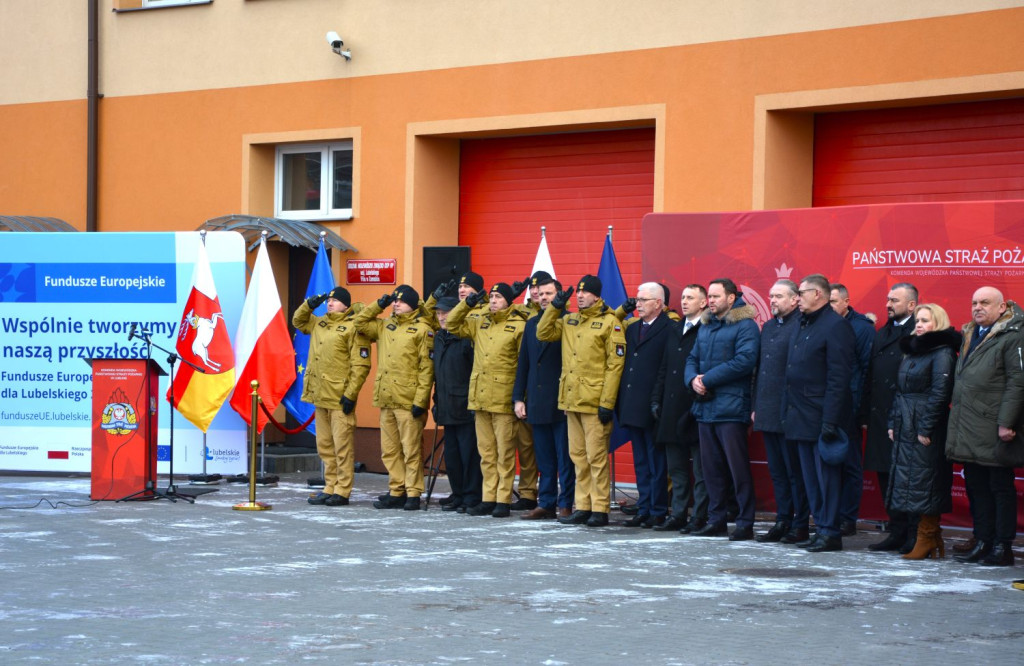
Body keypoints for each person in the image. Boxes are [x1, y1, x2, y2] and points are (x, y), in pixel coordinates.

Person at [537, 275, 626, 527]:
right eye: (578, 292)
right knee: (578, 456)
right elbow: (543, 333)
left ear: (597, 296)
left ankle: (599, 508)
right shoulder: (570, 319)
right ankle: (583, 506)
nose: (580, 296)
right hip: (571, 400)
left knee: (596, 457)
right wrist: (555, 307)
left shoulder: (610, 323)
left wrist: (607, 403)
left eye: (586, 293)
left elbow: (614, 366)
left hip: (595, 401)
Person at [947, 287, 1024, 567]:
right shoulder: (971, 333)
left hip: (994, 427)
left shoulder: (1013, 335)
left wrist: (1006, 422)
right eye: (974, 302)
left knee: (999, 488)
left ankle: (1003, 547)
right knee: (976, 486)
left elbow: (1018, 382)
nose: (978, 307)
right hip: (969, 425)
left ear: (1002, 307)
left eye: (985, 303)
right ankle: (983, 541)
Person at [783, 274, 856, 552]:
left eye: (801, 293)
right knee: (810, 480)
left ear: (819, 294)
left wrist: (830, 420)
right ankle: (821, 528)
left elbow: (839, 378)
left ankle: (830, 531)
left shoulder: (836, 326)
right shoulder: (803, 323)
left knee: (826, 479)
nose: (797, 297)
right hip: (799, 415)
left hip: (822, 417)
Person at [684, 278, 760, 541]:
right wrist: (693, 380)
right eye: (710, 296)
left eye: (717, 296)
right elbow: (692, 358)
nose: (712, 301)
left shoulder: (745, 325)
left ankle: (744, 522)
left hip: (731, 409)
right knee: (711, 468)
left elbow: (745, 361)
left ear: (731, 298)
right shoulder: (705, 326)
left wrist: (707, 379)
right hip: (705, 409)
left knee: (737, 469)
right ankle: (716, 520)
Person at [446, 283, 529, 517]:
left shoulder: (518, 326)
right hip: (480, 397)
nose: (493, 300)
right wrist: (467, 304)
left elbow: (524, 365)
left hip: (503, 398)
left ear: (509, 301)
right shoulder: (480, 321)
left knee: (504, 453)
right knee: (486, 453)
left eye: (499, 297)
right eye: (491, 296)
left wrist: (519, 398)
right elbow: (451, 324)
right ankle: (488, 498)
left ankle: (503, 500)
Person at [886, 303, 960, 560]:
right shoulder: (913, 351)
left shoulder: (943, 352)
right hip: (906, 424)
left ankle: (926, 536)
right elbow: (900, 390)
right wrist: (894, 422)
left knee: (927, 481)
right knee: (912, 481)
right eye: (917, 320)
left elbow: (941, 394)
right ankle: (927, 537)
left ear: (937, 323)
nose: (918, 324)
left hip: (926, 426)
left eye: (925, 320)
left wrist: (925, 427)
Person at [354, 285, 435, 511]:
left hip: (408, 400)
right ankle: (397, 490)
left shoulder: (422, 330)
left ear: (413, 304)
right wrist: (378, 305)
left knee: (410, 450)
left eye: (401, 301)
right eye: (394, 301)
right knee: (389, 450)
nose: (395, 304)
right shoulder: (385, 326)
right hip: (386, 397)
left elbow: (426, 368)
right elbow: (360, 323)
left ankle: (413, 492)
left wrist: (421, 400)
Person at [293, 286, 371, 507]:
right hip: (320, 394)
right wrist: (309, 305)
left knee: (342, 446)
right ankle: (330, 486)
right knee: (325, 445)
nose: (330, 303)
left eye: (335, 300)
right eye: (329, 300)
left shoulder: (354, 326)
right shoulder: (320, 322)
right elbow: (298, 322)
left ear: (346, 305)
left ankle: (343, 490)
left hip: (339, 397)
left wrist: (350, 394)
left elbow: (360, 365)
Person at [512, 276, 575, 520]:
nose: (545, 298)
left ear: (559, 295)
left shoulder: (568, 321)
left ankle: (566, 502)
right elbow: (524, 364)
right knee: (545, 458)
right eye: (541, 294)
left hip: (560, 400)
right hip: (537, 400)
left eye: (550, 294)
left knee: (565, 458)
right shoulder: (531, 324)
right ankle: (546, 502)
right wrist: (519, 398)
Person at [752, 279, 809, 543]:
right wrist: (755, 405)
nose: (772, 300)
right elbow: (759, 369)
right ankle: (782, 520)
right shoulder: (769, 326)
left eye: (778, 296)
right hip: (766, 409)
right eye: (771, 296)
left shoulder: (802, 324)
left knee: (794, 472)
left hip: (790, 412)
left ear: (795, 299)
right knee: (777, 471)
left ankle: (800, 524)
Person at [863, 283, 919, 552]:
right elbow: (869, 373)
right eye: (888, 299)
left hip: (905, 417)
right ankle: (896, 530)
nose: (888, 304)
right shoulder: (883, 332)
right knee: (885, 475)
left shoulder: (918, 332)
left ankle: (913, 533)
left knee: (906, 478)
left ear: (911, 305)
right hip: (879, 415)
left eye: (895, 300)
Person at [650, 284, 709, 533]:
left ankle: (700, 516)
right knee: (676, 467)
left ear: (704, 302)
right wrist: (656, 398)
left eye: (691, 298)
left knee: (701, 468)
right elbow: (664, 367)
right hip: (672, 407)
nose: (684, 302)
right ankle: (678, 513)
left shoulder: (708, 330)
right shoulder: (675, 329)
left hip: (696, 406)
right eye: (683, 297)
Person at [617, 282, 672, 528]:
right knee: (640, 461)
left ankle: (658, 509)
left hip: (653, 406)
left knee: (656, 462)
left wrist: (657, 402)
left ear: (658, 303)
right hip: (632, 404)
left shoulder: (670, 328)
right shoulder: (632, 328)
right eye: (636, 299)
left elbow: (666, 369)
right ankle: (644, 506)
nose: (637, 304)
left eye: (643, 300)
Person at [829, 283, 875, 536]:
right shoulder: (822, 325)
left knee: (850, 465)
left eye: (835, 301)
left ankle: (848, 518)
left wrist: (860, 410)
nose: (831, 306)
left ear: (847, 302)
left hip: (851, 408)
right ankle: (830, 516)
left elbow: (868, 371)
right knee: (828, 464)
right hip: (826, 407)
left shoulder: (862, 328)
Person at [431, 296, 483, 513]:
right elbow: (437, 374)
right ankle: (458, 493)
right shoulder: (439, 338)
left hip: (464, 405)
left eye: (446, 312)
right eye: (439, 313)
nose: (442, 317)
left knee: (469, 454)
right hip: (446, 405)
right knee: (451, 455)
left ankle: (471, 496)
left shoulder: (466, 338)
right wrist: (436, 401)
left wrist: (472, 402)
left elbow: (474, 372)